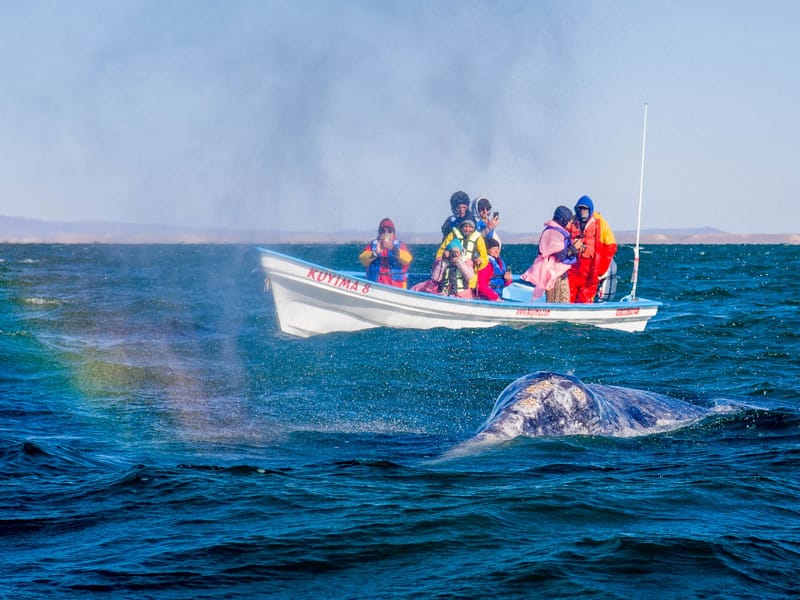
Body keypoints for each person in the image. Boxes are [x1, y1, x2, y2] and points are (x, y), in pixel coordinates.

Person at [566, 195, 617, 303]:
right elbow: (561, 239)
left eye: (585, 209)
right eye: (580, 209)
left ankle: (583, 317)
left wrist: (601, 270)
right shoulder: (572, 222)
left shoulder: (600, 223)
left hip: (591, 268)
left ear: (590, 209)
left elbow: (610, 247)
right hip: (573, 266)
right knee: (568, 296)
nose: (582, 211)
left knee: (586, 297)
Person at [521, 205, 577, 302]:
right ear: (563, 220)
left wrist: (573, 249)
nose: (570, 223)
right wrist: (574, 249)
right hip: (554, 275)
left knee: (564, 302)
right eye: (569, 220)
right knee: (555, 303)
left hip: (560, 274)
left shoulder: (557, 231)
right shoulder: (553, 233)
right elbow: (561, 255)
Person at [358, 218, 413, 288]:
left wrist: (393, 249)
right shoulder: (372, 245)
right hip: (375, 286)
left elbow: (408, 259)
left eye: (389, 231)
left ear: (393, 233)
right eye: (383, 231)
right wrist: (375, 253)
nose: (386, 234)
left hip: (397, 287)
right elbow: (362, 260)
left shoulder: (400, 246)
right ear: (379, 233)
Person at [436, 218, 488, 291]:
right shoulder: (452, 235)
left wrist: (480, 261)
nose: (467, 229)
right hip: (451, 275)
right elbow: (441, 252)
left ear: (474, 228)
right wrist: (443, 255)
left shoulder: (478, 239)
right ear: (461, 226)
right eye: (465, 226)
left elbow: (485, 257)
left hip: (469, 279)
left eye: (470, 227)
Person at [475, 237, 512, 301]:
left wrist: (508, 280)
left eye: (498, 248)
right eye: (494, 249)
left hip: (497, 297)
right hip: (485, 299)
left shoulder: (499, 262)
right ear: (486, 250)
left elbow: (502, 283)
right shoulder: (486, 264)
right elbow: (481, 285)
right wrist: (495, 298)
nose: (497, 251)